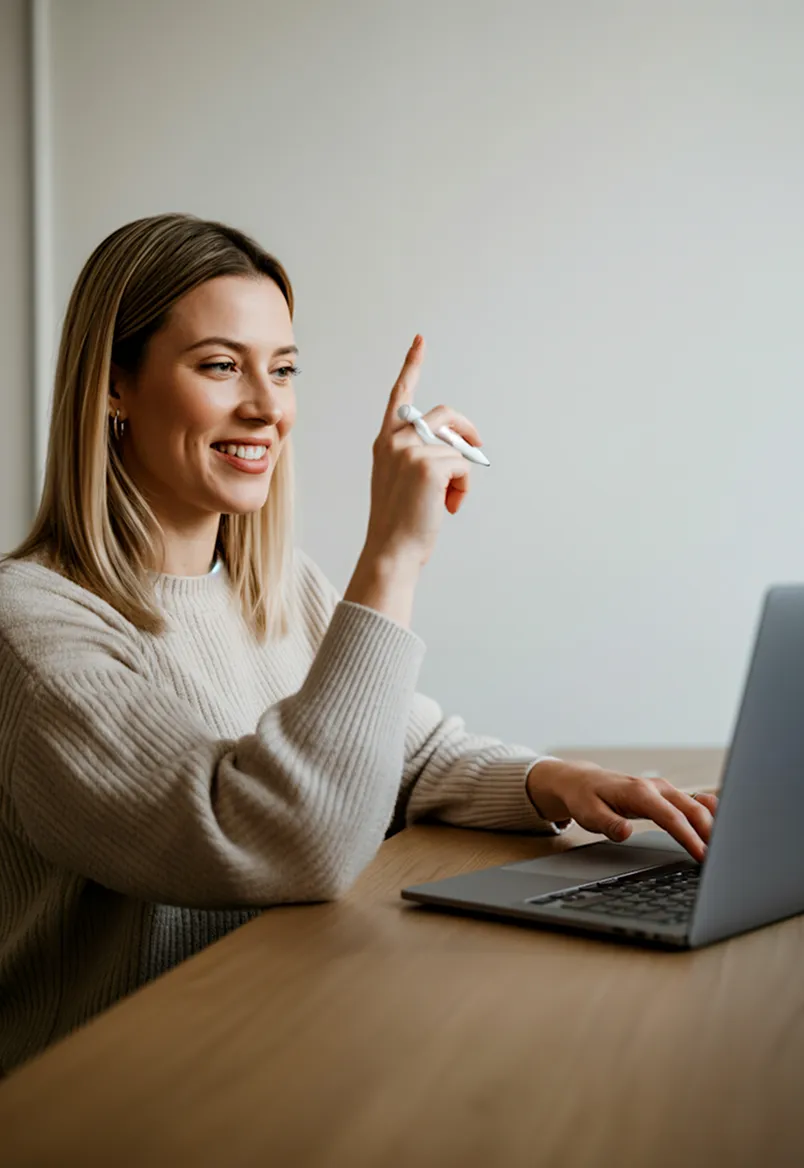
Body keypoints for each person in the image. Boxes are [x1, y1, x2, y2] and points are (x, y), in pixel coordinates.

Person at [0, 213, 717, 1072]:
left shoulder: (274, 588)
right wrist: (393, 556)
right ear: (114, 384)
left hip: (263, 1031)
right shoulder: (32, 629)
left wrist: (551, 781)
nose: (268, 408)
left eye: (285, 369)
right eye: (221, 366)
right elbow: (279, 840)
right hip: (107, 1089)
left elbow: (397, 756)